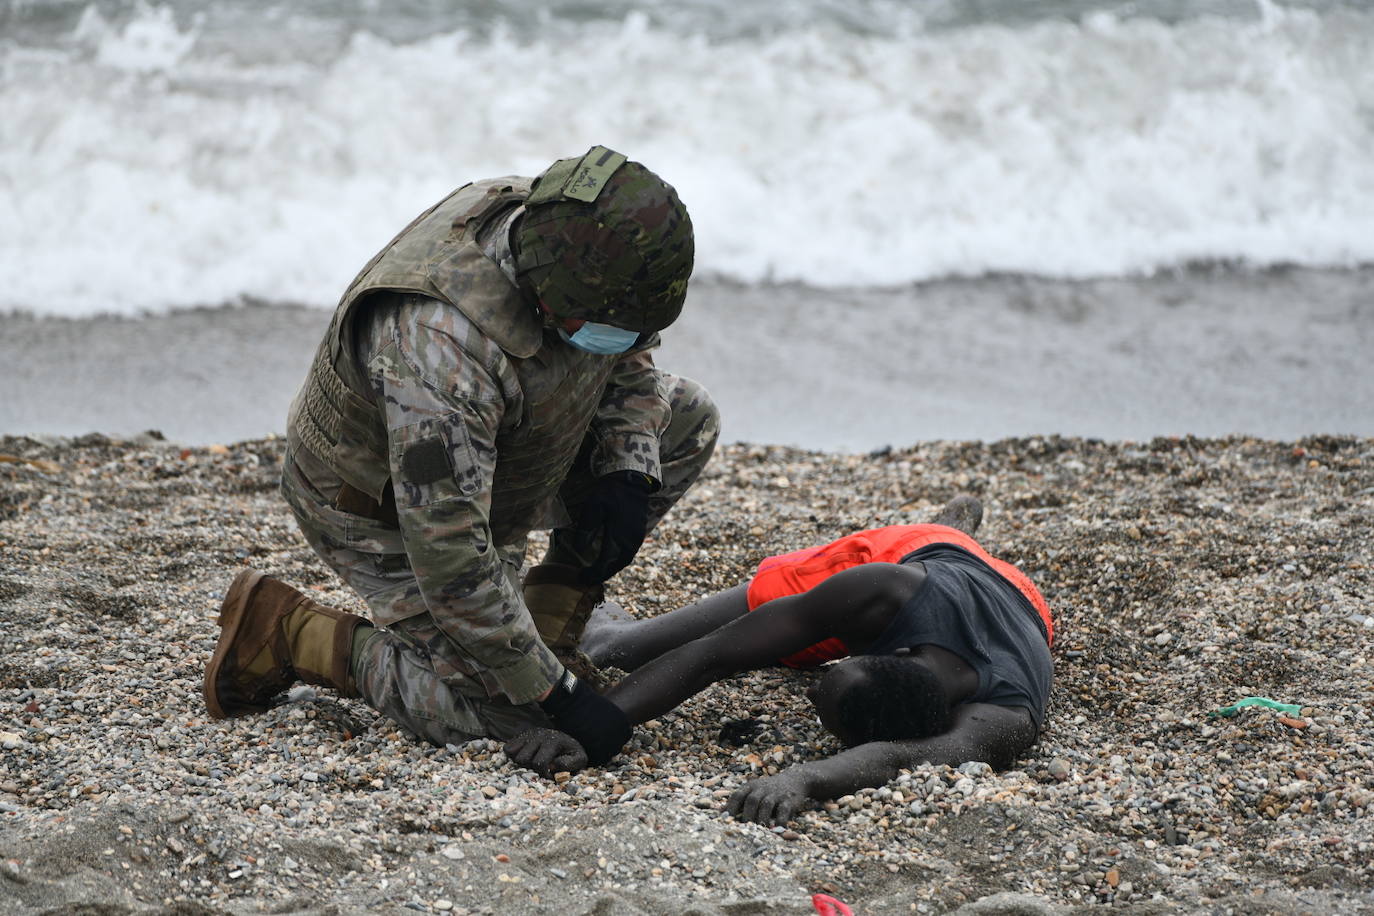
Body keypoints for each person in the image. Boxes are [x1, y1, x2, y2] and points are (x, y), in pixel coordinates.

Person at [203, 146, 718, 766]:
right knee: (504, 718)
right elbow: (449, 559)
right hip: (379, 508)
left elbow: (628, 354)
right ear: (556, 300)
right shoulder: (438, 345)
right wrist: (556, 695)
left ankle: (549, 619)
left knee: (685, 418)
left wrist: (626, 469)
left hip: (503, 454)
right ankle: (292, 633)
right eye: (609, 323)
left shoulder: (576, 240)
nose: (629, 338)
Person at [504, 495, 1055, 825]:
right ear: (890, 651)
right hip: (918, 554)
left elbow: (900, 757)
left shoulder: (1006, 715)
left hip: (1027, 605)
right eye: (828, 678)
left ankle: (962, 534)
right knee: (622, 650)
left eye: (821, 698)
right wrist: (597, 723)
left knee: (781, 647)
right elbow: (715, 654)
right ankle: (951, 528)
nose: (811, 686)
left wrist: (807, 778)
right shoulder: (883, 590)